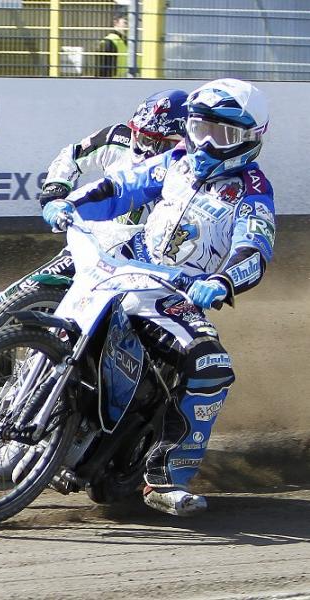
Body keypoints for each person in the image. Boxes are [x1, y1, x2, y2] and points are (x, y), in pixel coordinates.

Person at [41, 78, 274, 516]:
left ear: (248, 140)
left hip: (175, 291)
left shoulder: (253, 192)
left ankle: (167, 476)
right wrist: (70, 204)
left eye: (221, 134)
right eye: (200, 128)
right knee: (43, 293)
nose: (206, 143)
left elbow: (255, 250)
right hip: (124, 262)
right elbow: (120, 187)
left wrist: (222, 282)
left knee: (212, 364)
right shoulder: (176, 161)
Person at [0, 89, 188, 337]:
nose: (144, 148)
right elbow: (72, 156)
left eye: (157, 142)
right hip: (92, 245)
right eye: (141, 137)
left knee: (140, 332)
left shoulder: (189, 171)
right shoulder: (117, 137)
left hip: (142, 263)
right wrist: (55, 190)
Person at [95, 10, 128, 78]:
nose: (129, 26)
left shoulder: (127, 41)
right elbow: (103, 69)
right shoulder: (108, 41)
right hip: (113, 82)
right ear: (116, 23)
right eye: (126, 22)